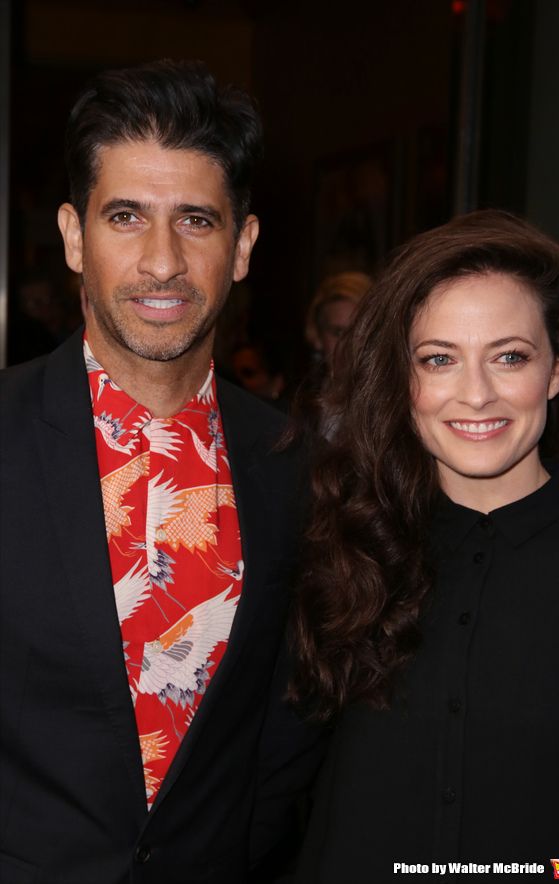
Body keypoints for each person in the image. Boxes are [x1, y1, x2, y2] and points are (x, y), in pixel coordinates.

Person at [0, 59, 322, 884]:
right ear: (74, 237)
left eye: (197, 221)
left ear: (243, 246)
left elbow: (294, 721)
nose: (163, 261)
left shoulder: (299, 464)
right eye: (126, 216)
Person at [290, 210, 559, 883]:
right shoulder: (339, 549)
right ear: (405, 381)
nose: (477, 394)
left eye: (510, 356)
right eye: (439, 359)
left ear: (557, 370)